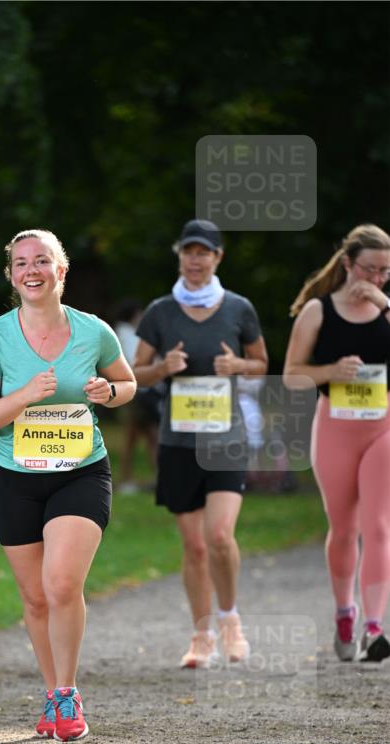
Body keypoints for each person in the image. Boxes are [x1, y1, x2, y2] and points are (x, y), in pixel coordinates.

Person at [0, 229, 136, 741]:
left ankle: (67, 693)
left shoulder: (93, 331)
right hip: (15, 479)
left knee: (61, 584)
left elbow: (128, 383)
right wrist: (23, 395)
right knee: (36, 597)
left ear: (61, 271)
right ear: (11, 276)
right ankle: (50, 693)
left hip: (80, 472)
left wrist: (109, 392)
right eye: (21, 263)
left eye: (42, 261)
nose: (32, 271)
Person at [133, 219, 268, 668]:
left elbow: (262, 363)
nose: (195, 260)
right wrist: (163, 368)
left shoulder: (238, 308)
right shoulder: (160, 312)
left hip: (226, 439)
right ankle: (201, 635)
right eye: (188, 252)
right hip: (179, 443)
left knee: (220, 536)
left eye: (203, 252)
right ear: (179, 256)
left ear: (217, 258)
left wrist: (238, 367)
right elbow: (134, 374)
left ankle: (230, 620)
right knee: (194, 546)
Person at [284, 223, 390, 663]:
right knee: (344, 529)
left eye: (385, 271)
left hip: (384, 427)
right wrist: (330, 372)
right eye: (370, 269)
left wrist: (385, 304)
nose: (377, 278)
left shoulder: (387, 309)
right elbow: (291, 376)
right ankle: (346, 612)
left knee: (378, 526)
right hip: (335, 427)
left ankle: (374, 626)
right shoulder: (318, 311)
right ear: (348, 263)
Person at [114, 298, 164, 493]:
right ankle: (129, 478)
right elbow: (133, 362)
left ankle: (152, 477)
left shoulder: (131, 333)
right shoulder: (125, 334)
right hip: (138, 391)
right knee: (142, 435)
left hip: (143, 390)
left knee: (144, 435)